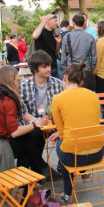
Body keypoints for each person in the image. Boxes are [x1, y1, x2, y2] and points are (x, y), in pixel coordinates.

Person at [47, 62, 104, 204]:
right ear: (81, 81)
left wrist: (61, 135)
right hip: (98, 153)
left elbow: (60, 131)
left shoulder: (58, 99)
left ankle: (67, 194)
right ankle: (82, 174)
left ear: (64, 78)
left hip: (74, 157)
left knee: (62, 147)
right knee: (69, 145)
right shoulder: (93, 96)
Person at [0, 66, 47, 173]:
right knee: (27, 148)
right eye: (18, 80)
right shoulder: (8, 100)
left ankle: (40, 169)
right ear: (10, 82)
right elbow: (14, 132)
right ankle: (33, 177)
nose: (19, 84)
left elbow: (12, 130)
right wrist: (36, 124)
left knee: (27, 138)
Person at [19, 50, 63, 178]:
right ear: (34, 68)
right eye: (44, 66)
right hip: (33, 124)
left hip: (53, 123)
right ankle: (39, 171)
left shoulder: (58, 84)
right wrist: (40, 123)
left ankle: (59, 167)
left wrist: (51, 125)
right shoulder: (23, 86)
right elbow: (23, 112)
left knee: (69, 133)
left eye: (49, 65)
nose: (48, 69)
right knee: (34, 136)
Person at [60, 14, 97, 91]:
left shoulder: (67, 37)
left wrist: (65, 68)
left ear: (73, 23)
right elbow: (94, 56)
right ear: (84, 23)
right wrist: (91, 68)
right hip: (86, 69)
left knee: (72, 96)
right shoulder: (90, 37)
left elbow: (63, 56)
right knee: (86, 95)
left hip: (71, 70)